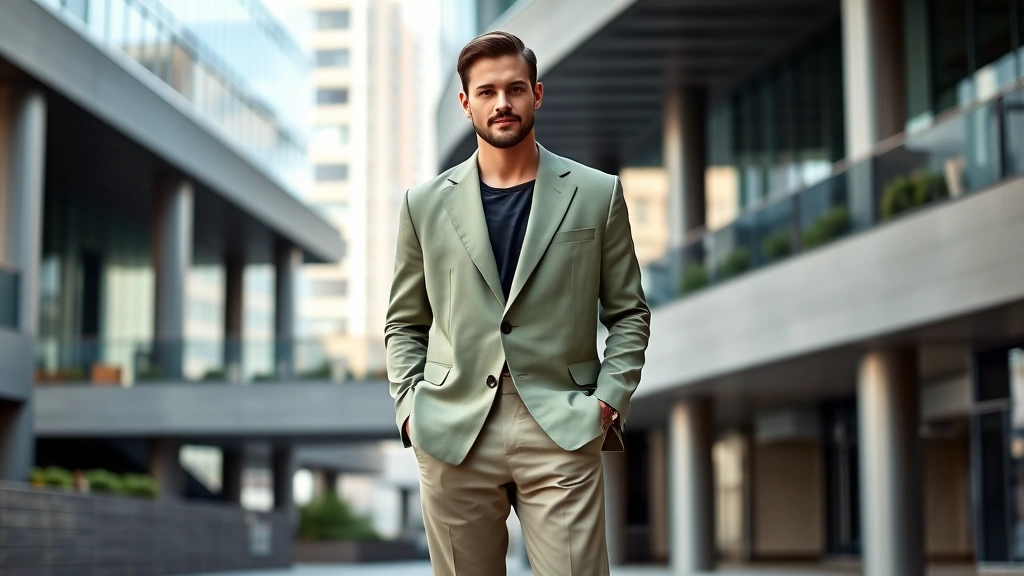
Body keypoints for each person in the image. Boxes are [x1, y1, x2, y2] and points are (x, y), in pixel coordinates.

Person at [385, 30, 651, 576]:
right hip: (453, 426)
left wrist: (608, 401)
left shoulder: (597, 194)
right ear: (466, 103)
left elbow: (628, 313)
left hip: (561, 422)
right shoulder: (423, 205)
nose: (501, 103)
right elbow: (404, 323)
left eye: (514, 88)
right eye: (486, 92)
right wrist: (411, 411)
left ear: (537, 94)